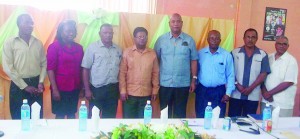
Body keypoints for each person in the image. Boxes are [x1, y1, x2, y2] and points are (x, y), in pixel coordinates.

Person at [2, 14, 46, 119]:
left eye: (31, 23)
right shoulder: (10, 43)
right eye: (26, 22)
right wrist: (25, 86)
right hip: (18, 85)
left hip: (36, 85)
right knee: (18, 118)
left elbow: (44, 64)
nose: (30, 25)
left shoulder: (38, 43)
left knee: (36, 118)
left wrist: (40, 82)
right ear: (18, 24)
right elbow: (8, 67)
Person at [154, 13, 198, 118]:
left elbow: (194, 60)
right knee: (165, 114)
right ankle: (165, 134)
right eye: (173, 21)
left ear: (182, 23)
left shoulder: (189, 40)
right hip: (165, 84)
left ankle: (179, 134)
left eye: (178, 21)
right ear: (169, 24)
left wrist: (193, 80)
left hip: (182, 84)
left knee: (180, 114)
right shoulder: (161, 40)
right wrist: (155, 82)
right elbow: (155, 60)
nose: (176, 24)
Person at [81, 23, 122, 118]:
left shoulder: (118, 49)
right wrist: (87, 89)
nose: (108, 35)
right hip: (96, 89)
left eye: (110, 33)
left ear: (113, 34)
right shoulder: (92, 48)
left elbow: (121, 70)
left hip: (113, 89)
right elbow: (85, 69)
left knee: (110, 118)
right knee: (93, 117)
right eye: (105, 33)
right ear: (100, 34)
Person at [229, 28, 271, 117]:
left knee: (249, 121)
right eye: (248, 37)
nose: (250, 39)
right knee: (233, 120)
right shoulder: (234, 53)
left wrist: (251, 88)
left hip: (253, 96)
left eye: (253, 37)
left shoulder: (263, 54)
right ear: (244, 38)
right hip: (236, 94)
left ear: (257, 39)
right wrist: (237, 85)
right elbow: (229, 72)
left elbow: (263, 74)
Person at [119, 27, 159, 118]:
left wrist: (155, 90)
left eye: (144, 37)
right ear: (134, 38)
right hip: (129, 94)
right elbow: (122, 73)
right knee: (129, 122)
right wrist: (122, 90)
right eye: (139, 37)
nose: (142, 39)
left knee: (144, 122)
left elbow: (155, 73)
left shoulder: (152, 54)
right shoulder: (127, 52)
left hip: (146, 94)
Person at [47, 20, 84, 119]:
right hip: (59, 88)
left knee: (72, 114)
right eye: (67, 31)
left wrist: (82, 88)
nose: (71, 33)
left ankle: (72, 135)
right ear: (60, 32)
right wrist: (54, 89)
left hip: (75, 87)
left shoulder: (79, 48)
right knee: (60, 115)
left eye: (73, 31)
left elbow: (81, 69)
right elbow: (50, 69)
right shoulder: (54, 47)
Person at [196, 30, 235, 118]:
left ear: (220, 41)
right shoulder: (200, 54)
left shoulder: (226, 55)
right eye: (212, 38)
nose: (214, 40)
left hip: (219, 92)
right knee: (200, 117)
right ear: (207, 40)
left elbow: (230, 75)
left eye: (217, 38)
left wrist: (228, 93)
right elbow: (195, 71)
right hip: (202, 90)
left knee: (218, 118)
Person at [261, 36, 298, 117]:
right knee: (264, 125)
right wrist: (265, 93)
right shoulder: (268, 57)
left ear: (288, 46)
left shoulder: (291, 61)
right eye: (279, 43)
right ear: (275, 45)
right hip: (266, 101)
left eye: (284, 44)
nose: (281, 46)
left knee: (281, 128)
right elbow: (261, 77)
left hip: (282, 104)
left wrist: (269, 93)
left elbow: (288, 82)